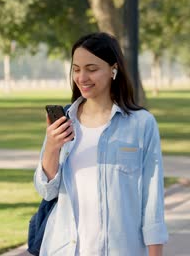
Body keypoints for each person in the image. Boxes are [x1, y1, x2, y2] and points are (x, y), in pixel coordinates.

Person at [34, 32, 168, 256]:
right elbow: (46, 191)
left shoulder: (142, 124)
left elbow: (152, 199)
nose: (82, 77)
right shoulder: (65, 121)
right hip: (65, 249)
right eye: (76, 69)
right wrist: (51, 146)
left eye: (92, 68)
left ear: (113, 69)